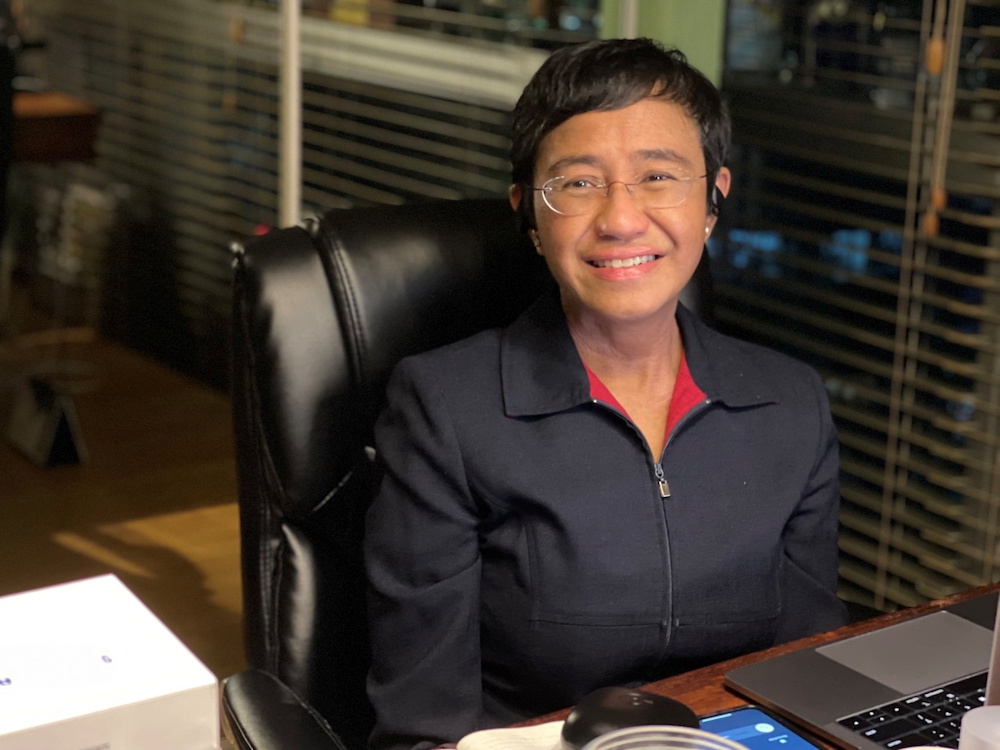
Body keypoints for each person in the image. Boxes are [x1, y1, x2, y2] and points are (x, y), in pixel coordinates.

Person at [364, 37, 847, 750]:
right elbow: (422, 729)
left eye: (659, 177)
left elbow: (811, 683)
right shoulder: (443, 409)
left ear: (714, 199)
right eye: (579, 183)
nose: (620, 219)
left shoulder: (792, 405)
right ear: (529, 214)